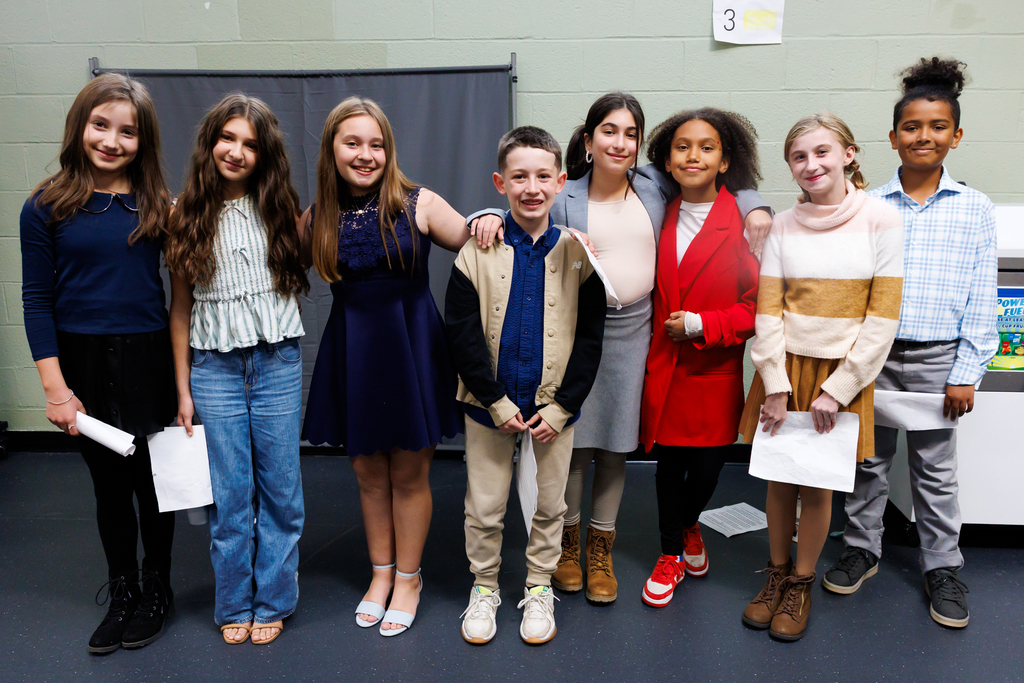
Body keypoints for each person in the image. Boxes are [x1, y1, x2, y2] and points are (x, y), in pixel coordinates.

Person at [548, 93, 774, 604]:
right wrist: (482, 215)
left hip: (661, 347)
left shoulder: (655, 190)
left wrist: (755, 203)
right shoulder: (584, 194)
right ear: (588, 140)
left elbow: (726, 188)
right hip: (596, 341)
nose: (619, 142)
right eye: (609, 131)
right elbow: (521, 202)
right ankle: (575, 545)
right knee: (582, 448)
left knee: (629, 451)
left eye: (630, 133)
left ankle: (624, 543)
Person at [301, 97, 502, 637]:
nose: (366, 155)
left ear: (389, 150)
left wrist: (490, 214)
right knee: (368, 473)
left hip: (412, 348)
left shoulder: (420, 203)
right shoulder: (317, 216)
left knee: (410, 473)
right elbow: (271, 260)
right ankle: (380, 575)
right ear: (332, 150)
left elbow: (479, 241)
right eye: (353, 143)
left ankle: (408, 580)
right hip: (354, 352)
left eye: (377, 144)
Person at [822, 57, 998, 630]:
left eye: (938, 126)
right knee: (868, 461)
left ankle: (942, 566)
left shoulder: (973, 209)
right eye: (912, 127)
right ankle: (862, 548)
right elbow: (852, 288)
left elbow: (981, 292)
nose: (925, 136)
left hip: (938, 360)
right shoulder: (868, 206)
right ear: (893, 136)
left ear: (956, 134)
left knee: (934, 470)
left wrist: (966, 370)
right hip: (872, 356)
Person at [20, 73, 175, 653]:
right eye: (101, 125)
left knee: (152, 486)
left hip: (149, 355)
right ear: (80, 126)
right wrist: (56, 388)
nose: (112, 140)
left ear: (144, 140)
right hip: (82, 360)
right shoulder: (45, 206)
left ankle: (157, 588)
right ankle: (124, 589)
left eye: (127, 131)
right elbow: (37, 300)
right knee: (109, 487)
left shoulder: (159, 205)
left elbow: (185, 291)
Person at [739, 112, 904, 641]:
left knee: (818, 485)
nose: (812, 164)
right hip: (783, 369)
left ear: (849, 154)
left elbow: (883, 318)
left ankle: (802, 583)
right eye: (799, 157)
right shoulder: (783, 225)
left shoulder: (881, 219)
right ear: (790, 166)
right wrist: (777, 383)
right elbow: (768, 310)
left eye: (822, 152)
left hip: (842, 374)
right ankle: (777, 575)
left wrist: (838, 390)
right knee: (780, 477)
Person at [446, 126, 607, 645]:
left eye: (543, 176)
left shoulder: (581, 256)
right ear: (500, 182)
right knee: (485, 505)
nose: (531, 187)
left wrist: (563, 407)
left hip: (552, 410)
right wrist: (493, 400)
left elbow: (590, 340)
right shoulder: (476, 250)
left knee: (551, 504)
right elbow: (462, 334)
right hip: (488, 406)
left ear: (561, 182)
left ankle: (539, 586)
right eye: (519, 176)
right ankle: (485, 585)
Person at [166, 94, 309, 646]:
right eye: (228, 138)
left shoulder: (279, 208)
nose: (237, 151)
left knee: (280, 491)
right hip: (214, 369)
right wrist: (183, 388)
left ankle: (272, 598)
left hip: (276, 362)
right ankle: (234, 602)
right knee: (231, 493)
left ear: (264, 155)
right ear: (210, 142)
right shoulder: (184, 213)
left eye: (250, 144)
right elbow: (180, 308)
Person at [637, 109, 761, 608]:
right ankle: (670, 553)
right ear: (667, 160)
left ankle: (691, 525)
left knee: (708, 470)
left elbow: (759, 308)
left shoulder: (747, 222)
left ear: (725, 158)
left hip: (713, 368)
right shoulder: (655, 212)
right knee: (667, 468)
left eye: (707, 147)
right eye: (682, 146)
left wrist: (702, 325)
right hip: (663, 366)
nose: (694, 156)